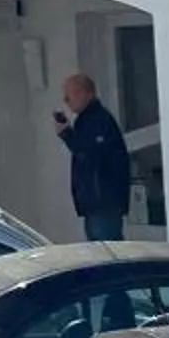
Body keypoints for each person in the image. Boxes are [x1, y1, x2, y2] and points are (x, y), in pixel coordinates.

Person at [53, 75, 132, 243]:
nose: (67, 101)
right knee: (100, 250)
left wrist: (68, 135)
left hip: (104, 202)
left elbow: (90, 155)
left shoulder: (99, 120)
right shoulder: (86, 120)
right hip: (95, 204)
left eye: (70, 95)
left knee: (107, 251)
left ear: (85, 93)